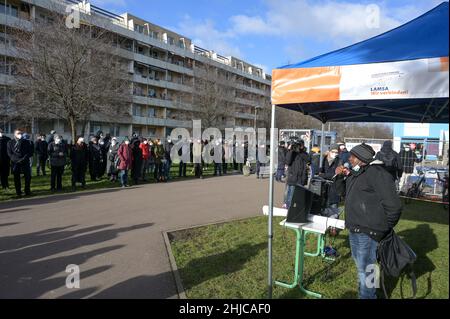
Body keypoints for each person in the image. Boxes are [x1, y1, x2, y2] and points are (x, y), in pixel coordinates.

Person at [334, 143, 402, 299]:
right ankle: (366, 295)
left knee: (368, 269)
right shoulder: (355, 172)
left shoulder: (378, 174)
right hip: (354, 229)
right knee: (362, 268)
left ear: (361, 159)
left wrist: (383, 227)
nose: (349, 158)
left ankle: (368, 296)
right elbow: (341, 192)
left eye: (352, 156)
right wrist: (339, 177)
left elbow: (394, 206)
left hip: (370, 231)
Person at [283, 139, 310, 208]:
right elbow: (287, 162)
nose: (298, 147)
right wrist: (291, 150)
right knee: (290, 195)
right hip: (292, 178)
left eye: (300, 145)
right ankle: (289, 208)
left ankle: (295, 209)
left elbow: (308, 160)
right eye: (297, 145)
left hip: (301, 179)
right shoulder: (292, 153)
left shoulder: (304, 154)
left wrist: (301, 151)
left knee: (298, 197)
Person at [7, 129, 33, 197]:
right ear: (14, 134)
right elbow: (10, 153)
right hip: (15, 162)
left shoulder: (26, 142)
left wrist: (23, 159)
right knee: (16, 178)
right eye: (18, 133)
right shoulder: (10, 142)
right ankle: (18, 192)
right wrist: (17, 160)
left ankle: (27, 191)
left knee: (28, 177)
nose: (20, 134)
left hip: (25, 162)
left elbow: (29, 152)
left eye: (21, 133)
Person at [319, 144, 341, 212]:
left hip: (334, 190)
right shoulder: (323, 159)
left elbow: (336, 175)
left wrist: (324, 175)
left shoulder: (339, 161)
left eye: (336, 152)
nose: (334, 154)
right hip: (323, 190)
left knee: (333, 211)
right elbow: (318, 173)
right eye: (333, 152)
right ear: (329, 151)